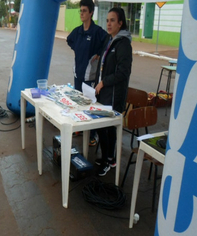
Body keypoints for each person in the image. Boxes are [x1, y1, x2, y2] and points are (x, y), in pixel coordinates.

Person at [95, 7, 133, 176]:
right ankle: (107, 158)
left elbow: (123, 73)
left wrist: (103, 82)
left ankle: (109, 160)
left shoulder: (123, 44)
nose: (109, 23)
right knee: (103, 127)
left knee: (108, 128)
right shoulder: (110, 40)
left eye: (112, 20)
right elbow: (104, 66)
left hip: (115, 94)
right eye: (107, 20)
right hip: (104, 92)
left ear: (120, 23)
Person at [67, 0, 108, 146]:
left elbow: (108, 42)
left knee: (89, 104)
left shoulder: (97, 31)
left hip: (90, 76)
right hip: (78, 74)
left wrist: (98, 53)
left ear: (91, 13)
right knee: (78, 102)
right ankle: (79, 128)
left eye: (84, 11)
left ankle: (92, 134)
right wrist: (78, 50)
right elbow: (69, 40)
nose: (81, 13)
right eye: (81, 10)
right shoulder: (77, 31)